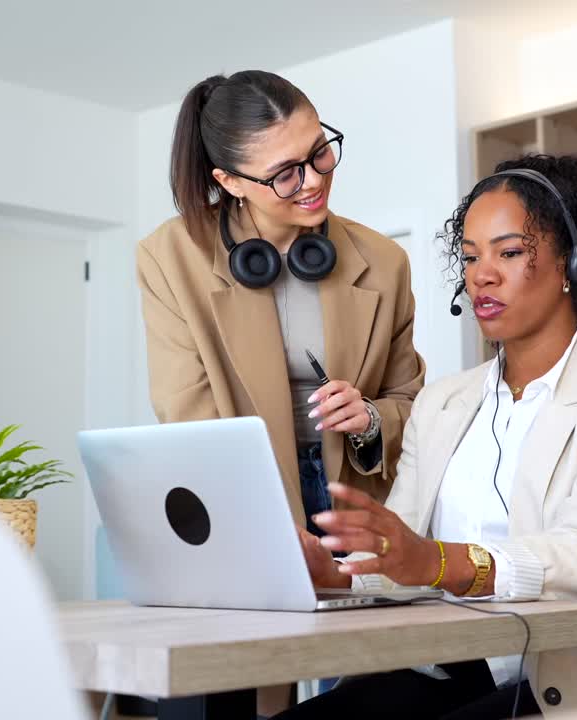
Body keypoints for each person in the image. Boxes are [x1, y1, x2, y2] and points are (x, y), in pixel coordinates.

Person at [282, 154, 577, 719]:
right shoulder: (443, 402)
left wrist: (438, 561)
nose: (481, 274)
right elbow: (400, 554)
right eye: (471, 257)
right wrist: (339, 573)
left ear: (571, 265)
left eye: (509, 253)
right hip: (447, 669)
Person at [135, 70, 426, 715]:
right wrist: (265, 521)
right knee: (239, 687)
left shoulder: (383, 261)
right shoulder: (169, 257)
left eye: (321, 150)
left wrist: (371, 418)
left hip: (348, 492)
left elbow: (412, 399)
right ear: (228, 182)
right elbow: (186, 410)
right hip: (242, 494)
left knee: (353, 696)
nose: (316, 179)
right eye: (286, 172)